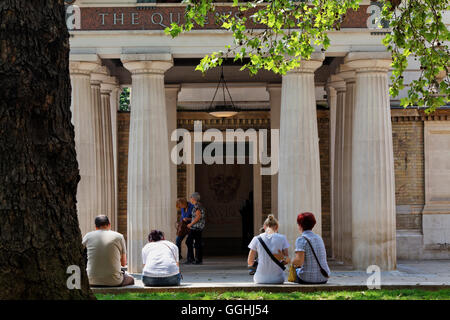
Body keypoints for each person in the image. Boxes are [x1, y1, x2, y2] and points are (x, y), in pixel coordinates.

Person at [82, 215, 134, 287]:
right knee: (131, 279)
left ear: (96, 227)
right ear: (109, 225)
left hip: (91, 280)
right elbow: (123, 263)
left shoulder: (88, 236)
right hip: (114, 281)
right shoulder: (119, 236)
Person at [247, 214, 290, 284]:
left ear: (264, 227)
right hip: (278, 278)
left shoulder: (256, 239)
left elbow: (250, 262)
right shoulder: (282, 238)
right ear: (277, 227)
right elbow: (287, 260)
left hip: (260, 279)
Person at [292, 212, 330, 284]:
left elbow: (299, 262)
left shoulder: (301, 239)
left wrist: (291, 262)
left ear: (300, 225)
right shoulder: (319, 238)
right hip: (324, 276)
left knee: (296, 270)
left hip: (307, 278)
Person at [185, 192, 206, 265]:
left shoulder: (197, 206)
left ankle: (194, 259)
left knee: (190, 242)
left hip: (196, 228)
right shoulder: (197, 205)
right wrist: (189, 219)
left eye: (190, 198)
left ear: (193, 198)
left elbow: (198, 216)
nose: (190, 199)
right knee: (196, 243)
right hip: (196, 227)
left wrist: (191, 224)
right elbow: (196, 216)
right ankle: (196, 259)